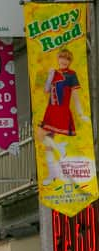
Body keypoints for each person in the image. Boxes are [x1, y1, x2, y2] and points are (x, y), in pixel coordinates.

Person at [37, 48, 90, 186]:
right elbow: (46, 90)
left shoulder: (72, 75)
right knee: (45, 141)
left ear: (70, 61)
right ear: (58, 58)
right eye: (62, 58)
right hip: (51, 110)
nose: (64, 61)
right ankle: (52, 173)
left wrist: (81, 114)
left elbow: (76, 96)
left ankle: (56, 159)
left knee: (45, 137)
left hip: (61, 111)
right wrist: (50, 76)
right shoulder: (54, 72)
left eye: (67, 59)